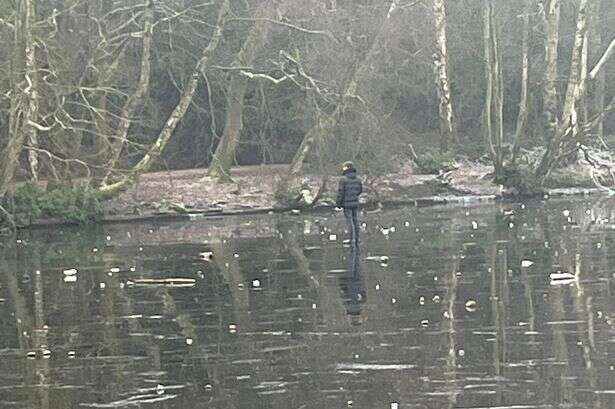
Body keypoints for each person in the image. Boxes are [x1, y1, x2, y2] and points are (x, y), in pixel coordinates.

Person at [336, 161, 362, 245]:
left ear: (347, 168)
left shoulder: (343, 179)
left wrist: (338, 204)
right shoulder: (358, 179)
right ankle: (357, 238)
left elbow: (341, 192)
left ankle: (352, 239)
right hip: (355, 202)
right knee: (356, 221)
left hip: (346, 204)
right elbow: (360, 190)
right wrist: (354, 195)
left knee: (349, 221)